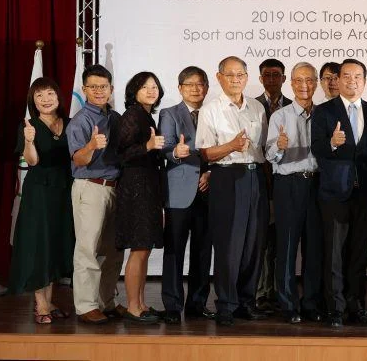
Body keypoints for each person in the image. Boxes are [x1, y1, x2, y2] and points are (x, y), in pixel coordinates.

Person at [310, 58, 367, 328]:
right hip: (334, 193)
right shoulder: (324, 111)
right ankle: (336, 309)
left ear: (364, 81)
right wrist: (332, 143)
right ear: (338, 80)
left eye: (357, 77)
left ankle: (357, 306)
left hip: (365, 194)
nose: (352, 81)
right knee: (334, 254)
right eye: (346, 76)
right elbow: (316, 148)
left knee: (359, 253)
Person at [196, 56, 269, 327]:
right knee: (228, 245)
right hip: (227, 177)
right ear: (219, 78)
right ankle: (226, 304)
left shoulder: (257, 107)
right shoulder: (210, 110)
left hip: (255, 176)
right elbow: (205, 152)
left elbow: (263, 148)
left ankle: (246, 302)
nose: (235, 80)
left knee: (253, 243)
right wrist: (231, 146)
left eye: (240, 75)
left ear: (247, 78)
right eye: (230, 75)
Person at [9, 77, 75, 324]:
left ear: (58, 97)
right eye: (39, 95)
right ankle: (41, 305)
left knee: (56, 243)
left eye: (50, 94)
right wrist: (28, 140)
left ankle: (50, 300)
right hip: (40, 191)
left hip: (65, 189)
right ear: (33, 102)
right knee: (40, 244)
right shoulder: (29, 126)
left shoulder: (70, 123)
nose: (46, 99)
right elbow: (32, 161)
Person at [266, 62, 325, 324]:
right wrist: (279, 146)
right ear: (291, 84)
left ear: (316, 84)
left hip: (318, 184)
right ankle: (288, 304)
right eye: (299, 80)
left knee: (314, 247)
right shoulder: (280, 116)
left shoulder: (324, 114)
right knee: (288, 245)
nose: (304, 86)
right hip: (289, 184)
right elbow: (270, 156)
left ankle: (311, 303)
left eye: (309, 80)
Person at [67, 64, 126, 325]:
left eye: (103, 86)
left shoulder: (116, 118)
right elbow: (78, 159)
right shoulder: (80, 121)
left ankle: (106, 302)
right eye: (93, 87)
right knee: (87, 249)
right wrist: (91, 145)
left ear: (111, 89)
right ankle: (86, 306)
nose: (99, 91)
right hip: (90, 187)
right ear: (84, 89)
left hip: (115, 188)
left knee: (113, 250)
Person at [158, 66, 215, 324]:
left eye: (200, 84)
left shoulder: (213, 113)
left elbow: (220, 148)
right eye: (190, 84)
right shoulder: (169, 113)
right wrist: (175, 153)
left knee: (203, 251)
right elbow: (165, 147)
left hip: (208, 190)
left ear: (207, 88)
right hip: (179, 191)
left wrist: (210, 172)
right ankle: (172, 305)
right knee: (174, 250)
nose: (195, 89)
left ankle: (197, 304)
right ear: (180, 88)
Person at [112, 71, 166, 324]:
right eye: (145, 87)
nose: (151, 91)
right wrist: (148, 146)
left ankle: (141, 304)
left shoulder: (146, 115)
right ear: (134, 91)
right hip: (135, 188)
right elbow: (120, 155)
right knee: (139, 248)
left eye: (154, 86)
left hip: (148, 186)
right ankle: (133, 307)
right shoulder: (132, 115)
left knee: (145, 248)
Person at [254, 58, 292, 314]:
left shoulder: (293, 106)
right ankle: (261, 293)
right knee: (262, 241)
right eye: (266, 75)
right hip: (259, 181)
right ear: (260, 78)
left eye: (276, 75)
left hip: (285, 181)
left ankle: (280, 292)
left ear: (284, 79)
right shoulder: (252, 106)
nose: (271, 79)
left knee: (281, 241)